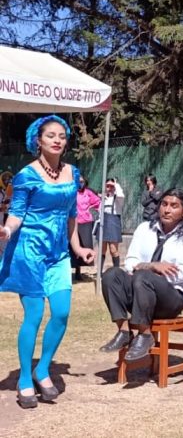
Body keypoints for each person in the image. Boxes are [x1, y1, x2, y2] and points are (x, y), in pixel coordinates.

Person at [0, 115, 94, 408]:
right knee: (34, 315)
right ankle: (25, 378)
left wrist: (78, 248)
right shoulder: (26, 176)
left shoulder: (72, 172)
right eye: (50, 135)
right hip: (28, 252)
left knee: (62, 313)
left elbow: (70, 215)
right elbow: (16, 213)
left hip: (58, 255)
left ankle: (43, 369)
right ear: (37, 141)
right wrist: (6, 230)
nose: (57, 139)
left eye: (62, 136)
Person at [99, 187, 183, 362]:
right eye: (164, 204)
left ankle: (145, 335)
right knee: (111, 275)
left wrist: (147, 273)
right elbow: (130, 263)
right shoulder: (144, 229)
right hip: (140, 295)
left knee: (143, 277)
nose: (167, 209)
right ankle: (124, 331)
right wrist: (153, 266)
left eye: (174, 206)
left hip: (170, 299)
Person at [72, 174, 101, 281]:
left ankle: (79, 271)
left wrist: (92, 209)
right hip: (73, 223)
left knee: (84, 246)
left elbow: (98, 202)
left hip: (85, 223)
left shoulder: (88, 193)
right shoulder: (72, 192)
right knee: (73, 247)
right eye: (78, 181)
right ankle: (73, 269)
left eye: (82, 181)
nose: (80, 183)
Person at [99, 176, 125, 270]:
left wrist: (115, 184)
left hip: (113, 223)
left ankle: (116, 271)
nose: (109, 188)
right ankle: (100, 273)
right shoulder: (103, 198)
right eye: (107, 186)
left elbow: (121, 195)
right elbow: (99, 211)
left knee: (113, 250)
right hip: (103, 223)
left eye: (111, 186)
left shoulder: (118, 198)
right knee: (102, 250)